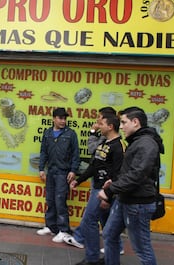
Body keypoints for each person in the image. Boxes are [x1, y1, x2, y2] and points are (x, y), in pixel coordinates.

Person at [98, 106, 164, 265]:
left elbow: (138, 174)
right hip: (125, 199)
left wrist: (110, 190)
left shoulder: (146, 143)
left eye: (124, 122)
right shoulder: (138, 141)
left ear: (135, 122)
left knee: (142, 248)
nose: (120, 127)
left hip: (138, 204)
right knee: (109, 234)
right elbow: (131, 170)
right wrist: (115, 182)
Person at [67, 113, 125, 265]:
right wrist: (78, 181)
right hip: (97, 189)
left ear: (110, 126)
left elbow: (118, 175)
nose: (98, 126)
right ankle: (105, 259)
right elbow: (94, 166)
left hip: (104, 193)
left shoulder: (119, 147)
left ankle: (92, 258)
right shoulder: (104, 143)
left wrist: (108, 196)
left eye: (102, 123)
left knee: (89, 221)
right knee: (107, 228)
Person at [37, 107, 80, 243]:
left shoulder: (70, 134)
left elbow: (75, 155)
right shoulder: (48, 133)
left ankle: (64, 230)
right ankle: (51, 226)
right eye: (60, 118)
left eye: (64, 118)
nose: (63, 121)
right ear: (54, 119)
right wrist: (41, 169)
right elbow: (43, 152)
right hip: (51, 172)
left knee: (60, 201)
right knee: (50, 200)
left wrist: (73, 170)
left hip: (63, 173)